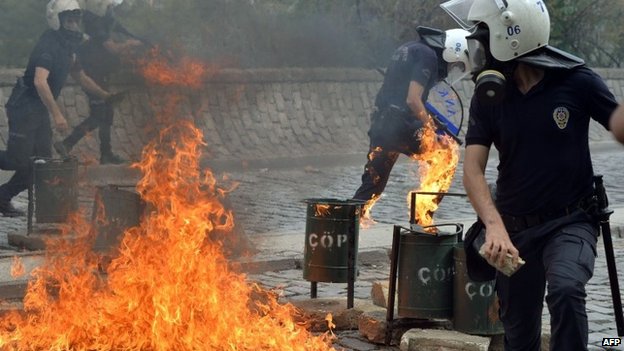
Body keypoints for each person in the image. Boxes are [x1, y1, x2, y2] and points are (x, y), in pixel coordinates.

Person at [441, 0, 619, 349]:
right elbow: (473, 169)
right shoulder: (488, 96)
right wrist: (493, 225)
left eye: (484, 37)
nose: (479, 48)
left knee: (567, 290)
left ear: (511, 39)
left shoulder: (577, 81)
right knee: (519, 337)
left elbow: (618, 121)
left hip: (571, 221)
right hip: (513, 231)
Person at [0, 0, 113, 217]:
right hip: (24, 107)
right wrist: (57, 114)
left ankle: (2, 198)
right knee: (17, 159)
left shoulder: (67, 48)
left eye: (75, 20)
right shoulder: (49, 45)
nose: (73, 25)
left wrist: (105, 95)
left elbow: (80, 76)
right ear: (56, 20)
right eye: (68, 20)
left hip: (38, 109)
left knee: (42, 164)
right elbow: (40, 81)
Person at [352, 26, 471, 203]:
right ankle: (423, 220)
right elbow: (413, 100)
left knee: (372, 184)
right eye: (457, 64)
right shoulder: (428, 57)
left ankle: (342, 225)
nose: (453, 68)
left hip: (383, 124)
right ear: (454, 51)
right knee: (447, 154)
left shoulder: (410, 48)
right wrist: (432, 128)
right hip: (401, 124)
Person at [54, 0, 142, 164]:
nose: (111, 8)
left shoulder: (103, 20)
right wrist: (131, 44)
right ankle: (67, 143)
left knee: (107, 113)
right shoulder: (94, 22)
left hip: (101, 74)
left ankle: (106, 153)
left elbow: (117, 28)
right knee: (98, 116)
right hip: (92, 75)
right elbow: (112, 48)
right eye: (108, 5)